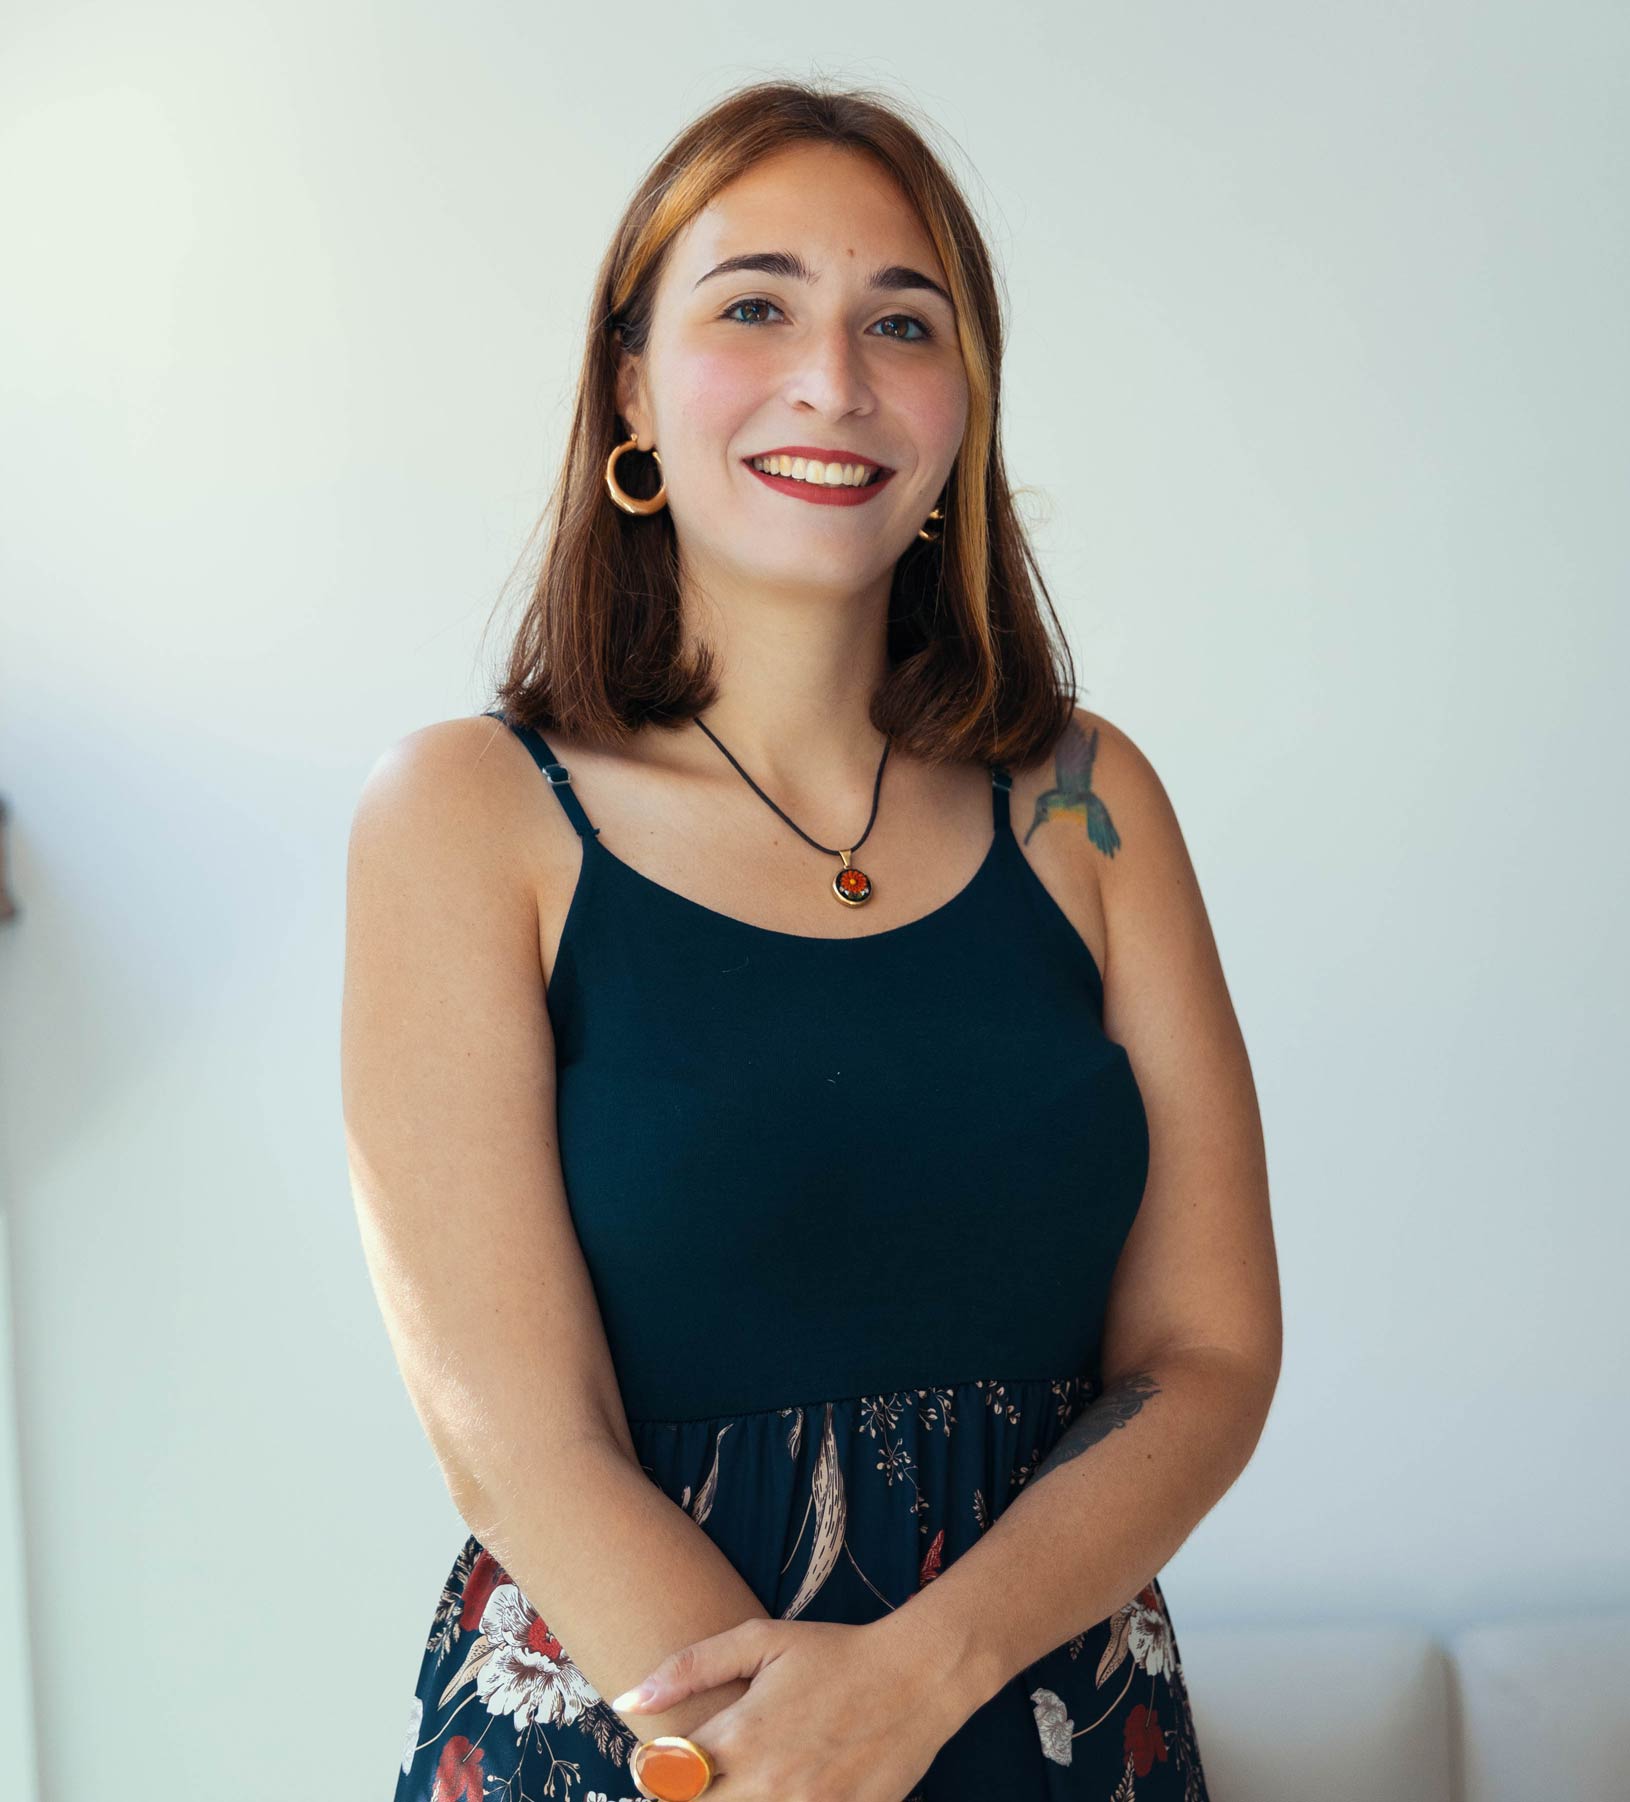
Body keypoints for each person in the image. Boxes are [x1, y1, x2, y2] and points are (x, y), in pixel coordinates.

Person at [342, 77, 1279, 1802]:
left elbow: (1208, 1357)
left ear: (964, 405)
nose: (833, 379)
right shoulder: (467, 814)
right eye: (755, 305)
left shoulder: (1089, 803)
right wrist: (789, 1758)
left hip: (1051, 1724)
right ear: (631, 384)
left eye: (901, 322)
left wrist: (920, 1682)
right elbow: (513, 1437)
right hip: (649, 1741)